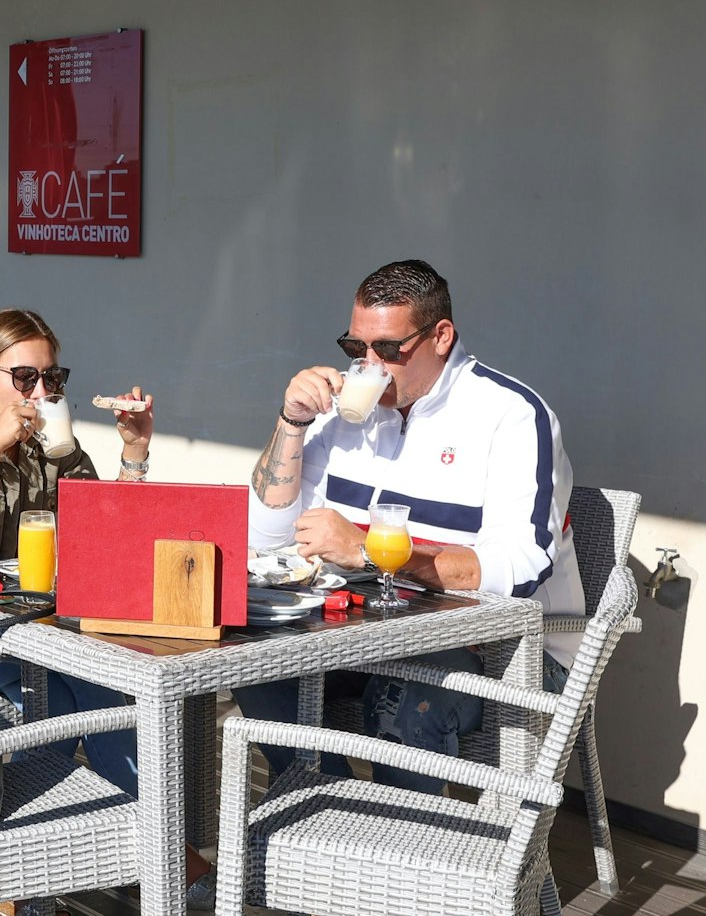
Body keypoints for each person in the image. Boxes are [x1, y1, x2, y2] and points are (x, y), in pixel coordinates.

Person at [0, 308, 213, 908]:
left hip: (29, 630)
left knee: (90, 695)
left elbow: (110, 534)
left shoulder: (50, 441)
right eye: (24, 379)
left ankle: (20, 869)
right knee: (75, 697)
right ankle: (166, 856)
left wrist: (134, 451)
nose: (40, 393)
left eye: (52, 379)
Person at [236, 259, 581, 792]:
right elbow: (267, 536)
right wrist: (292, 423)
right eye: (356, 349)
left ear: (441, 336)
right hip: (366, 632)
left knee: (401, 698)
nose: (369, 366)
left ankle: (409, 853)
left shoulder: (510, 416)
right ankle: (336, 823)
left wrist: (375, 553)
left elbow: (523, 569)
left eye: (389, 350)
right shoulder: (344, 413)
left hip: (506, 648)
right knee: (251, 662)